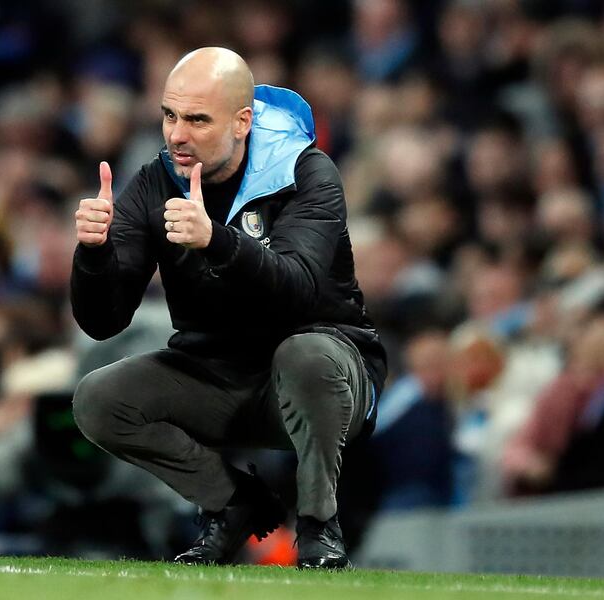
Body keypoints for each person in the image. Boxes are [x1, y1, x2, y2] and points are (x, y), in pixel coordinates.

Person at [70, 47, 386, 569]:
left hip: (329, 382)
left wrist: (216, 240)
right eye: (170, 115)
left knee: (305, 355)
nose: (176, 134)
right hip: (220, 378)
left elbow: (298, 289)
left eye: (197, 119)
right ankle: (233, 504)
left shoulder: (305, 172)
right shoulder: (155, 180)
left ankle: (319, 527)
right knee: (98, 399)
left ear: (242, 122)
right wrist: (94, 254)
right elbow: (103, 322)